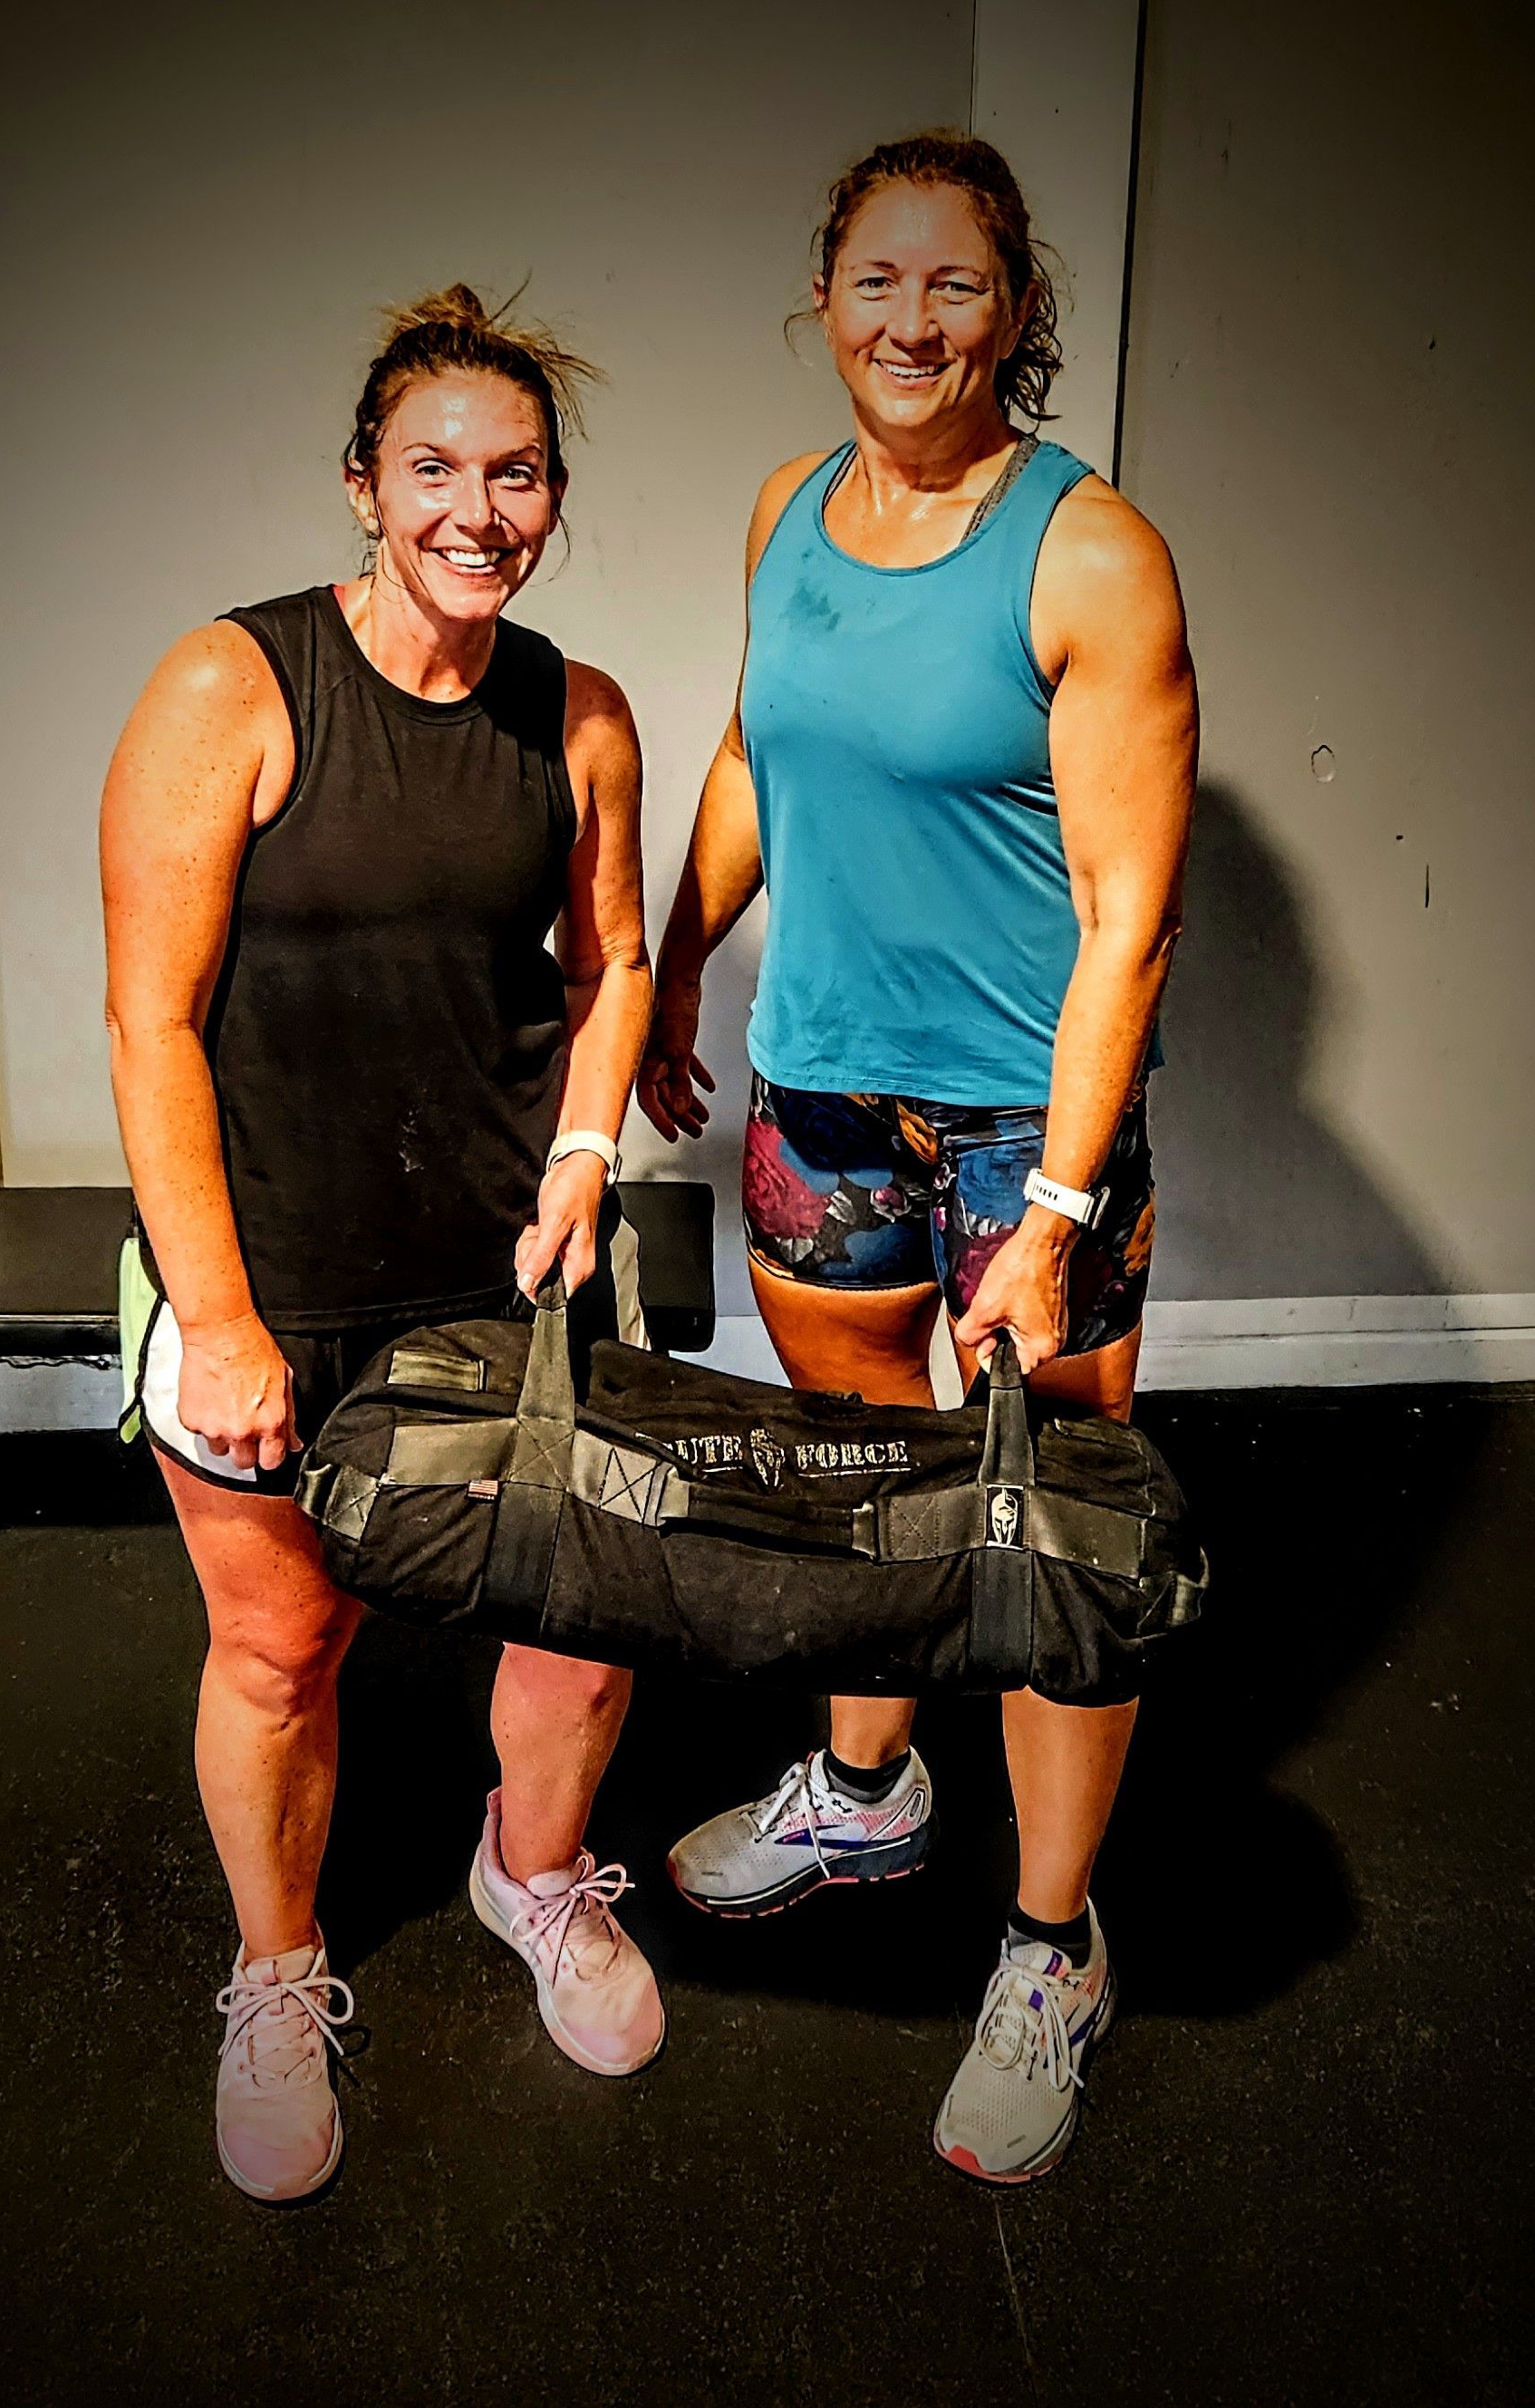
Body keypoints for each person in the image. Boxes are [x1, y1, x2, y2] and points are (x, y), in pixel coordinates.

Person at [639, 134, 1197, 2183]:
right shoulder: (792, 508)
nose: (910, 322)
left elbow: (1131, 913)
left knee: (1051, 1542)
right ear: (822, 296)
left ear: (1018, 311)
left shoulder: (1089, 553)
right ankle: (868, 1789)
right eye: (876, 281)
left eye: (954, 286)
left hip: (1014, 1133)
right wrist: (681, 956)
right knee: (864, 1467)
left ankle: (1052, 1943)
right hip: (819, 1097)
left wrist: (1052, 1215)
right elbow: (749, 749)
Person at [102, 286, 663, 2204]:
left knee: (579, 1637)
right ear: (363, 484)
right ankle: (276, 1974)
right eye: (432, 467)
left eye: (513, 475)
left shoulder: (578, 715)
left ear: (553, 501)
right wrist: (217, 1314)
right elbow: (149, 1020)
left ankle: (536, 1881)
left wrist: (589, 1149)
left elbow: (615, 967)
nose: (474, 508)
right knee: (284, 1646)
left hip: (509, 1263)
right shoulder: (228, 691)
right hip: (274, 1268)